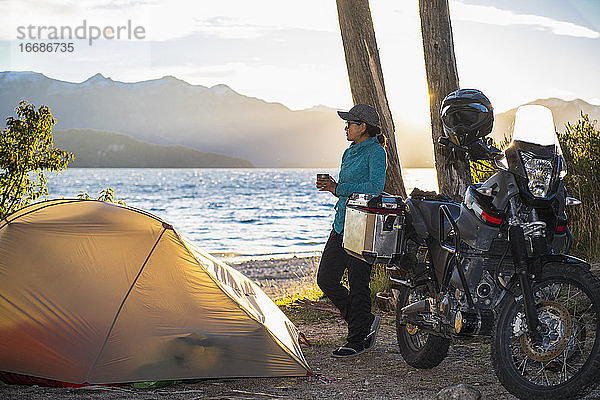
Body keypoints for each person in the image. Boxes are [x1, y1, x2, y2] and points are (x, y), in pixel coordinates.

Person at [316, 103, 386, 357]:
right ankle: (364, 322)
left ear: (362, 127)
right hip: (342, 223)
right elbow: (347, 185)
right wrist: (334, 188)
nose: (346, 128)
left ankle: (357, 340)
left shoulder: (376, 152)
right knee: (326, 279)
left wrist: (338, 189)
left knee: (358, 283)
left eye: (350, 124)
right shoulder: (350, 151)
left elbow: (375, 187)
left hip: (363, 226)